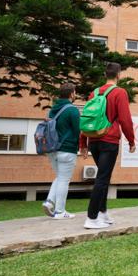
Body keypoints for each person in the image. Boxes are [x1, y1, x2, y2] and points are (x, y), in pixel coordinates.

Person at [80, 62, 136, 229]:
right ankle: (91, 218)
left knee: (104, 177)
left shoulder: (94, 93)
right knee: (102, 179)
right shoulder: (120, 92)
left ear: (105, 75)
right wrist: (131, 140)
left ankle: (103, 213)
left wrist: (83, 143)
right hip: (109, 141)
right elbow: (125, 120)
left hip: (94, 140)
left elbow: (87, 118)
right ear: (118, 75)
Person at [42, 83, 80, 219]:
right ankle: (60, 211)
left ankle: (49, 201)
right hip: (67, 150)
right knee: (64, 180)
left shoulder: (53, 109)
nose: (75, 94)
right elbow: (77, 131)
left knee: (60, 177)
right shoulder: (72, 110)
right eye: (75, 92)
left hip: (53, 150)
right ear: (71, 94)